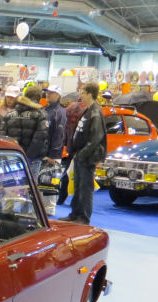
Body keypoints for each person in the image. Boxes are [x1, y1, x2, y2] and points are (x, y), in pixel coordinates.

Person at [62, 82, 106, 225]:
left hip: (87, 157)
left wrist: (82, 155)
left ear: (89, 94)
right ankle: (75, 214)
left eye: (83, 92)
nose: (80, 95)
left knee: (85, 188)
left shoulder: (95, 113)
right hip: (80, 154)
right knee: (78, 185)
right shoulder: (88, 110)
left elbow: (95, 139)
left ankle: (84, 217)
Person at [4, 85, 48, 181]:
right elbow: (40, 138)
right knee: (30, 185)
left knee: (12, 184)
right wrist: (29, 155)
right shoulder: (40, 114)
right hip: (32, 157)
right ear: (39, 97)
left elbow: (3, 136)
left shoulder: (9, 115)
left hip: (13, 155)